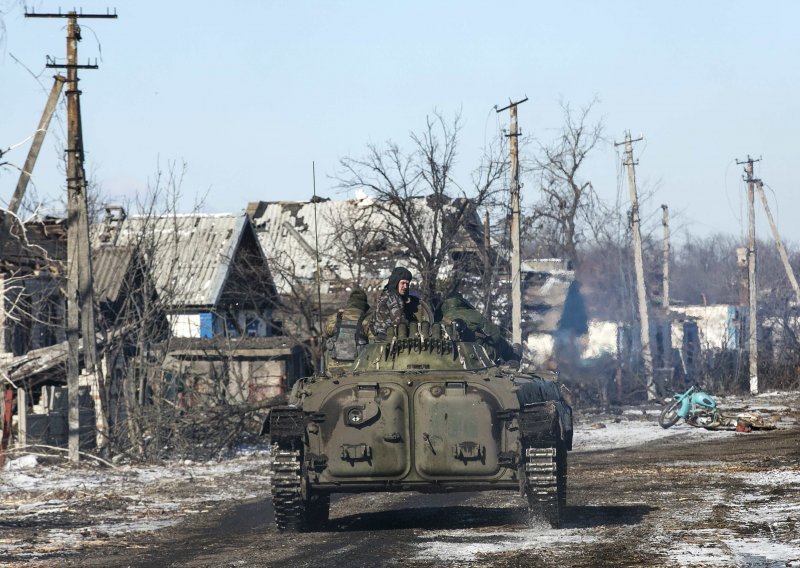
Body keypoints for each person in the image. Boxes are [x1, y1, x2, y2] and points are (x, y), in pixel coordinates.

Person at [440, 291, 518, 363]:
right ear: (462, 302)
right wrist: (484, 339)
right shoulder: (473, 314)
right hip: (478, 356)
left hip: (447, 356)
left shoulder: (439, 319)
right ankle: (514, 357)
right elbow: (495, 335)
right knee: (501, 342)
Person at [370, 267, 425, 339]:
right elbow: (400, 323)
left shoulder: (386, 294)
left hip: (382, 336)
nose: (405, 286)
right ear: (395, 282)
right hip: (388, 337)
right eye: (403, 283)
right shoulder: (394, 298)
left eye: (407, 284)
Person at [324, 289, 370, 371]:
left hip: (334, 368)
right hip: (358, 369)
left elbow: (325, 337)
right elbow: (374, 344)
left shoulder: (334, 318)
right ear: (364, 305)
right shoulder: (367, 320)